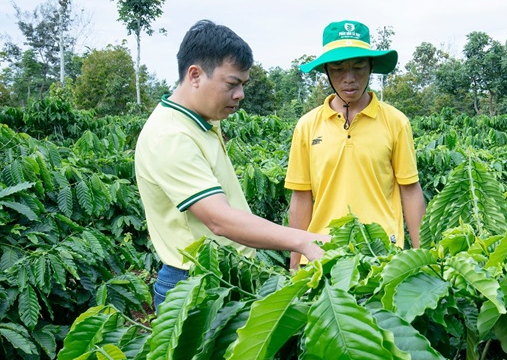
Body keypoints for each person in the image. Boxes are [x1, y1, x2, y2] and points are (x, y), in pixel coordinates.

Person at [135, 20, 329, 310]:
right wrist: (303, 241)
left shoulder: (200, 122)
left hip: (223, 276)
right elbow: (219, 220)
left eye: (243, 85)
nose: (240, 95)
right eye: (232, 84)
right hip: (195, 285)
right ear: (195, 75)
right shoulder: (171, 136)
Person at [285, 20, 426, 268]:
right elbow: (301, 197)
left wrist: (423, 257)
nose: (349, 79)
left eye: (359, 67)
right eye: (338, 68)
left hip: (381, 255)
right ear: (327, 71)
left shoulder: (396, 122)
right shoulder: (307, 126)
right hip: (321, 256)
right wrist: (295, 264)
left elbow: (410, 191)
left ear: (371, 67)